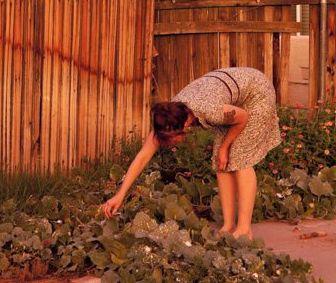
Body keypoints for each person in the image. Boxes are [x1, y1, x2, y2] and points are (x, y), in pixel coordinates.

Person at [102, 67, 282, 238]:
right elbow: (143, 157)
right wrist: (120, 194)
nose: (171, 144)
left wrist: (225, 146)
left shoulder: (209, 111)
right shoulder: (169, 117)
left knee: (241, 158)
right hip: (228, 95)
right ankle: (229, 225)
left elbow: (242, 117)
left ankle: (244, 230)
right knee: (220, 161)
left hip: (256, 93)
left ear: (184, 127)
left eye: (173, 140)